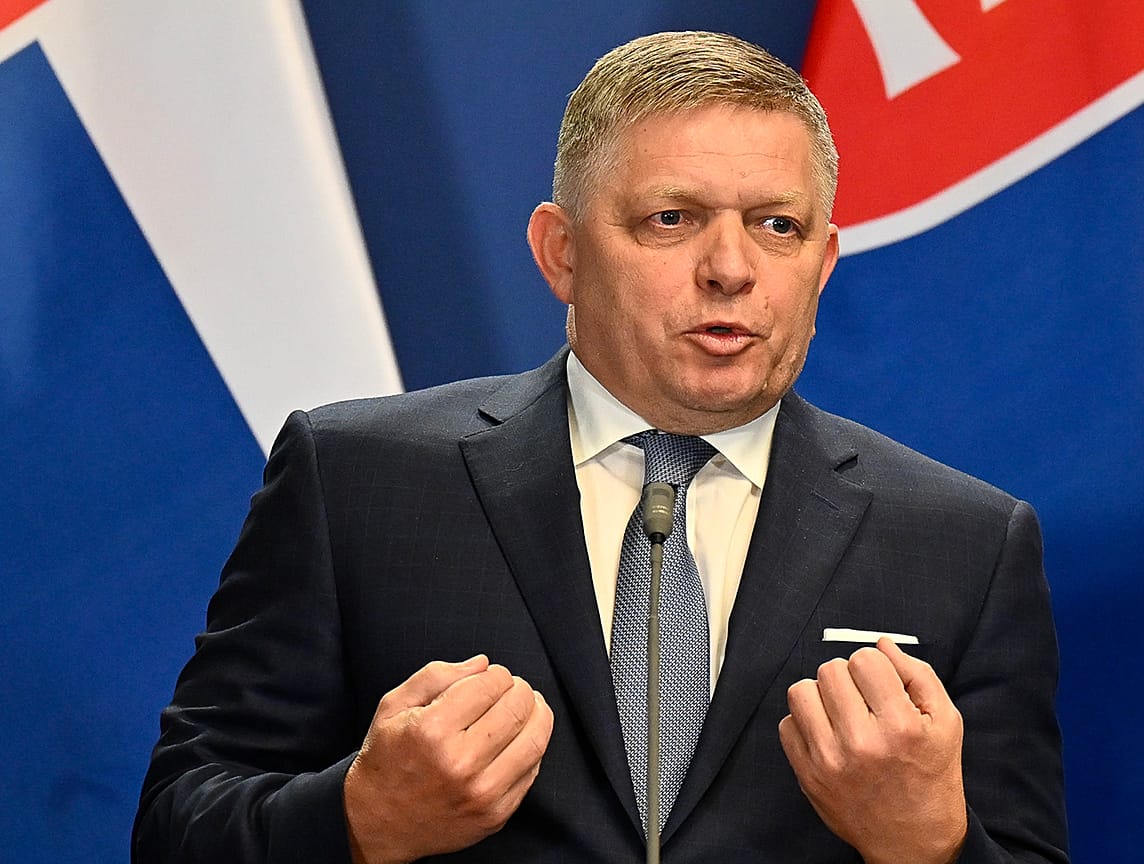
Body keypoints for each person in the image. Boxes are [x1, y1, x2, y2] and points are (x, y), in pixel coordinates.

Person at [133, 31, 1068, 864]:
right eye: (672, 218)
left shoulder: (965, 543)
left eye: (777, 226)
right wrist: (358, 818)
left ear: (822, 263)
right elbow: (178, 823)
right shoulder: (357, 479)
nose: (732, 269)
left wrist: (933, 849)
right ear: (561, 253)